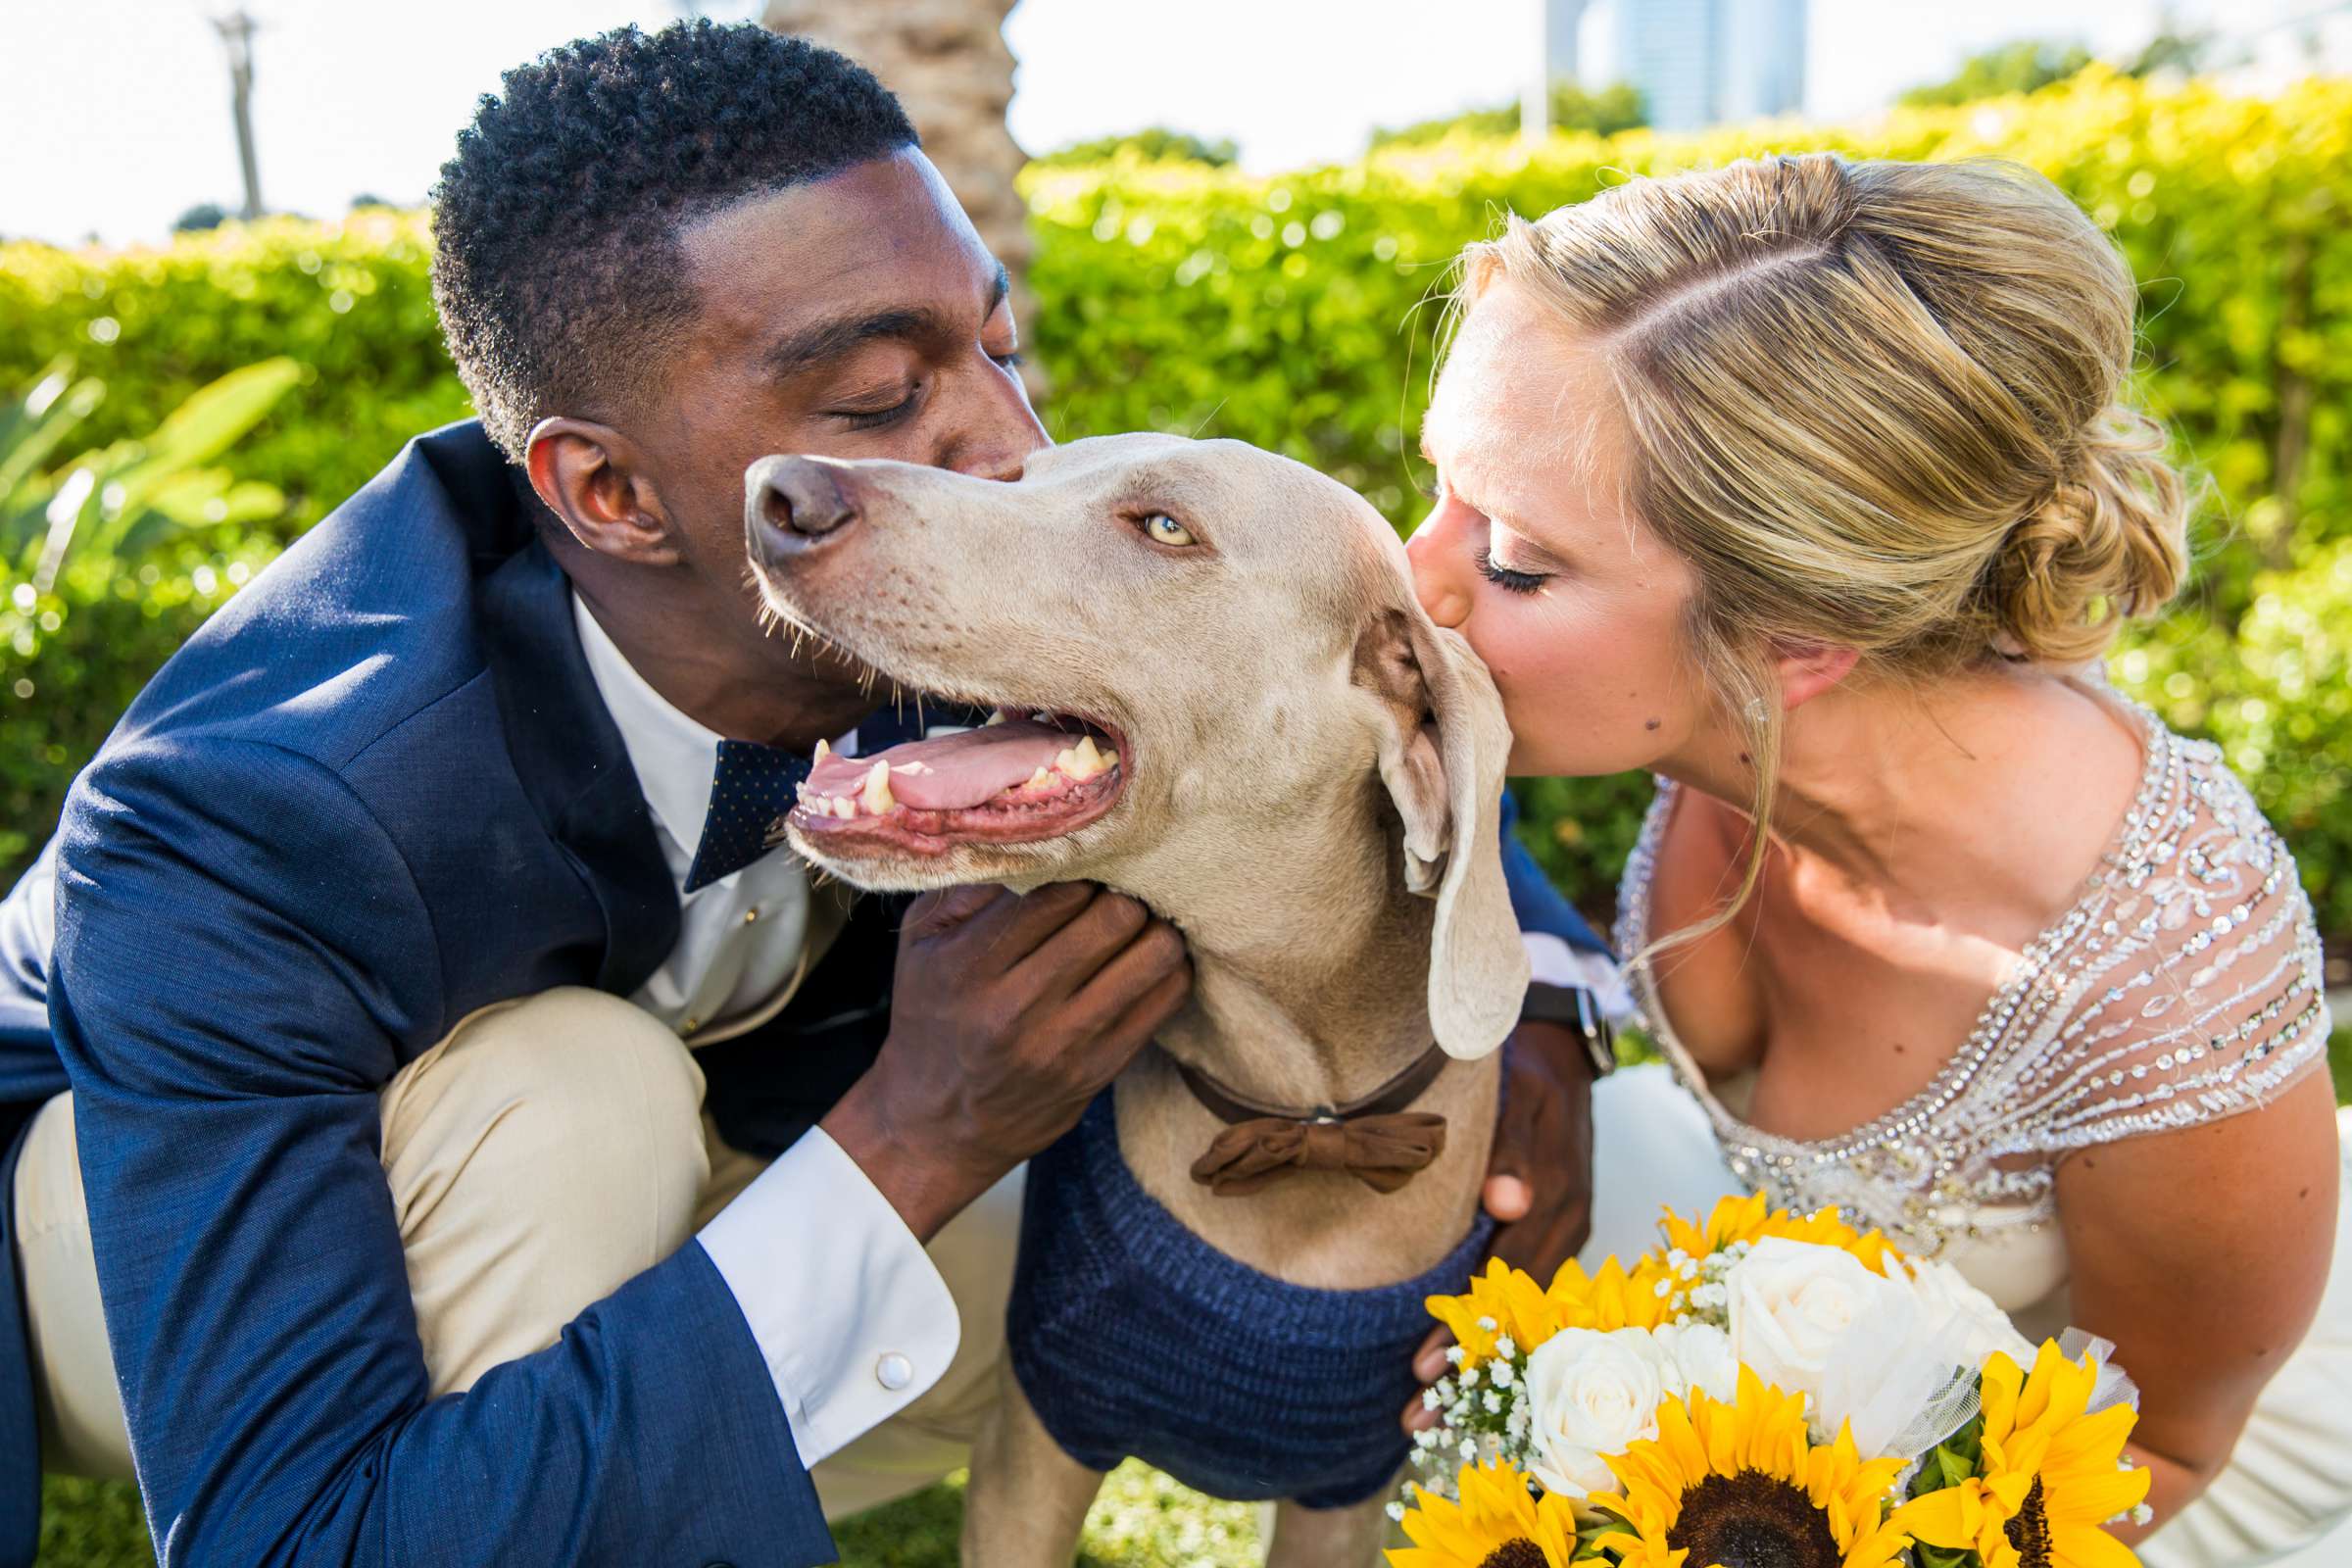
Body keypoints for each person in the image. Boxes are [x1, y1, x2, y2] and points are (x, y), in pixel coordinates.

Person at [0, 22, 1610, 1565]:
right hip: (152, 1237)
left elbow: (1285, 710)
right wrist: (913, 1137)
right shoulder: (245, 827)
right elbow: (292, 1535)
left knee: (1065, 1229)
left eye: (994, 341)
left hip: (727, 1136)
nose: (1001, 448)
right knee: (577, 1104)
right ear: (609, 494)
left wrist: (1533, 993)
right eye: (875, 398)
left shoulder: (921, 579)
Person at [1404, 151, 2349, 1567]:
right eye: (1437, 492)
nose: (1418, 581)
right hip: (1824, 1348)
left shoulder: (2163, 988)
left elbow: (2162, 1446)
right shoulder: (1709, 725)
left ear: (1795, 642)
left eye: (1520, 561)